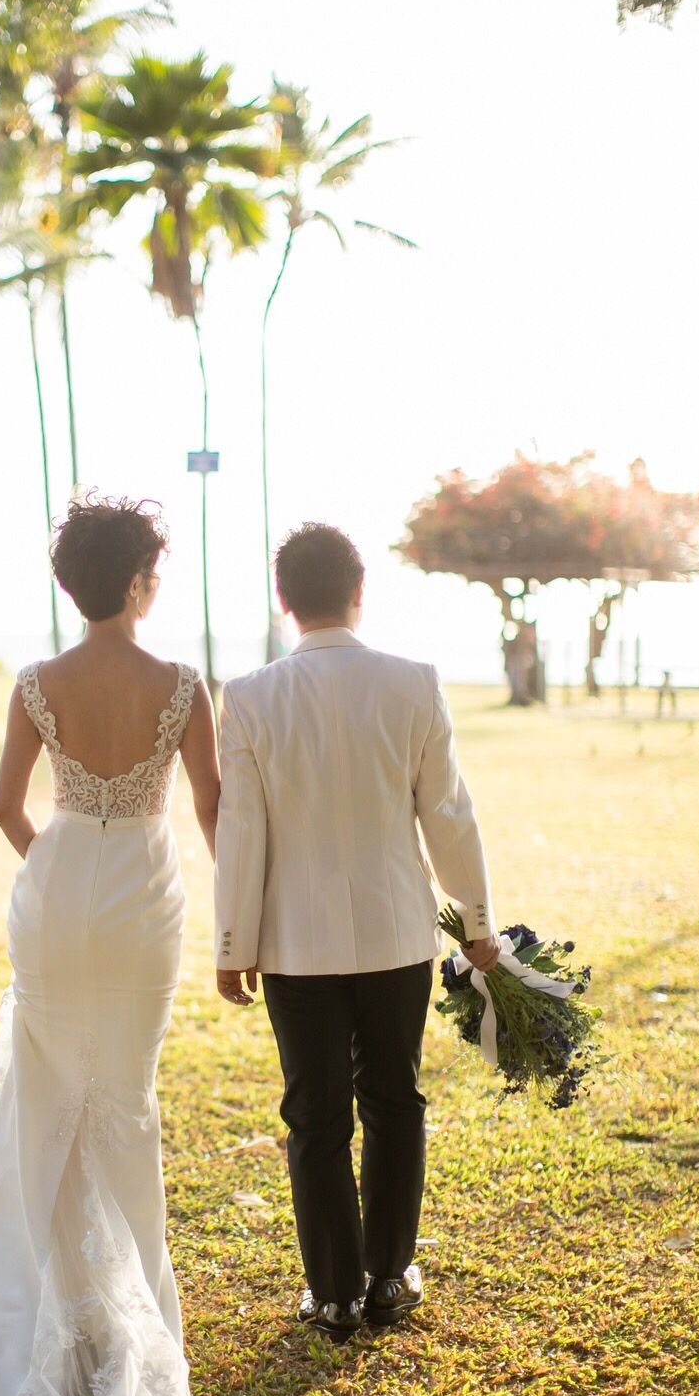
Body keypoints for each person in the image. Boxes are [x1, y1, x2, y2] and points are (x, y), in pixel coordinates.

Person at [0, 493, 220, 1396]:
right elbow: (213, 812)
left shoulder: (35, 684)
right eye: (153, 572)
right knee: (125, 1102)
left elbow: (9, 809)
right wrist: (245, 922)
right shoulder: (183, 686)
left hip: (53, 899)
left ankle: (36, 1330)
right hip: (143, 905)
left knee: (47, 1103)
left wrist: (58, 864)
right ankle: (124, 1332)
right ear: (135, 583)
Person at [213, 523, 501, 1338]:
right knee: (394, 1100)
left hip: (293, 943)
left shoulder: (250, 695)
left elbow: (242, 833)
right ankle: (390, 1275)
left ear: (284, 600)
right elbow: (448, 815)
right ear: (358, 591)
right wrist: (476, 923)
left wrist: (233, 946)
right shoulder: (414, 683)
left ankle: (334, 1292)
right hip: (395, 935)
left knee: (315, 1115)